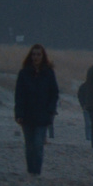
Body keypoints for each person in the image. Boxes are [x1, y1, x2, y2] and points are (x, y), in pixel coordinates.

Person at [13, 43, 59, 176]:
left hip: (42, 115)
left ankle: (36, 172)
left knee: (38, 145)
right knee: (29, 146)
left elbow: (54, 93)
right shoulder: (24, 73)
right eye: (33, 54)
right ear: (30, 56)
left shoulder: (49, 73)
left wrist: (50, 110)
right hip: (27, 115)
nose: (36, 57)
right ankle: (30, 171)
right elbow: (19, 95)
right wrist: (19, 113)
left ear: (43, 56)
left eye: (38, 54)